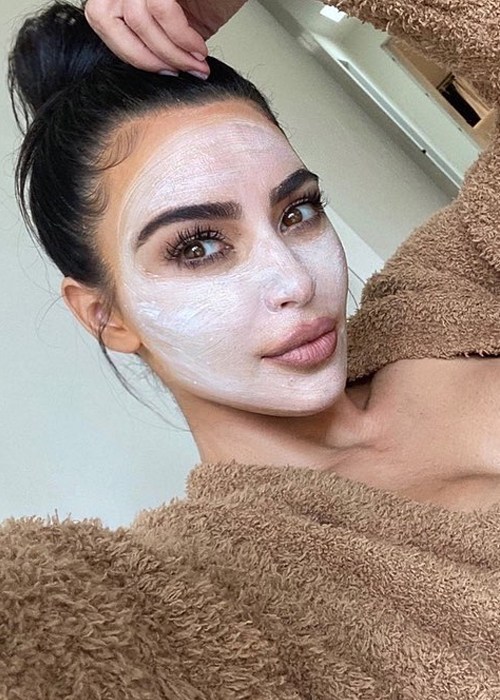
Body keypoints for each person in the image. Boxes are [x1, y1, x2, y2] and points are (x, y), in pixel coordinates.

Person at [2, 0, 500, 696]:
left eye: (298, 212)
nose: (296, 282)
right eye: (198, 247)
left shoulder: (446, 294)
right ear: (106, 315)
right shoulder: (212, 597)